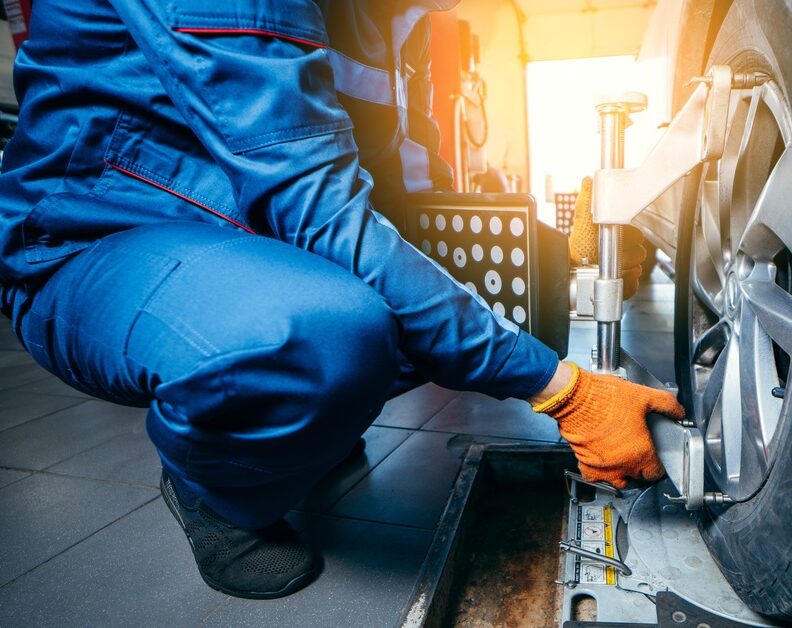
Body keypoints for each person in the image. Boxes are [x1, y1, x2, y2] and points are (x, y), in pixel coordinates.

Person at [0, 0, 683, 600]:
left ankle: (298, 420)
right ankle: (214, 491)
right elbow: (320, 211)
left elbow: (377, 180)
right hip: (90, 236)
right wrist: (562, 390)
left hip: (236, 228)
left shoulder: (375, 17)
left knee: (429, 302)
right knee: (325, 335)